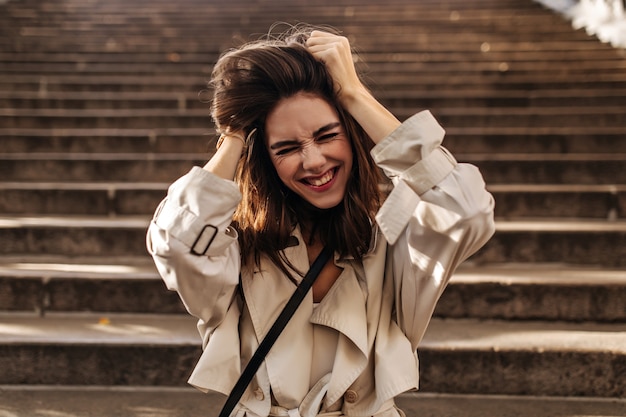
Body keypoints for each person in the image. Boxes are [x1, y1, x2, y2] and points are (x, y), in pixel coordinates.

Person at [146, 25, 495, 417]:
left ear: (354, 134)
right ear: (266, 160)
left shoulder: (392, 229)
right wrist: (234, 135)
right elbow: (177, 245)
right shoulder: (235, 242)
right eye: (288, 148)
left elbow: (466, 209)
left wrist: (355, 95)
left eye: (328, 135)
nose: (313, 162)